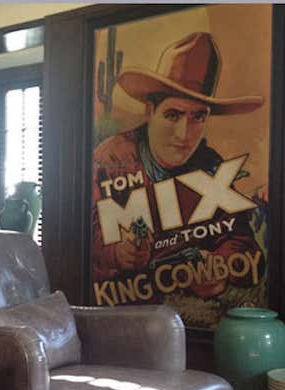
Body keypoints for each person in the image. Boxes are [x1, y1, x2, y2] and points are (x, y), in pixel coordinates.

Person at [92, 31, 266, 301]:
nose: (185, 134)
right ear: (150, 111)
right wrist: (117, 253)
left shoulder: (210, 167)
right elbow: (82, 236)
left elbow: (243, 244)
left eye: (198, 117)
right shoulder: (110, 159)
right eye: (173, 115)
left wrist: (219, 266)